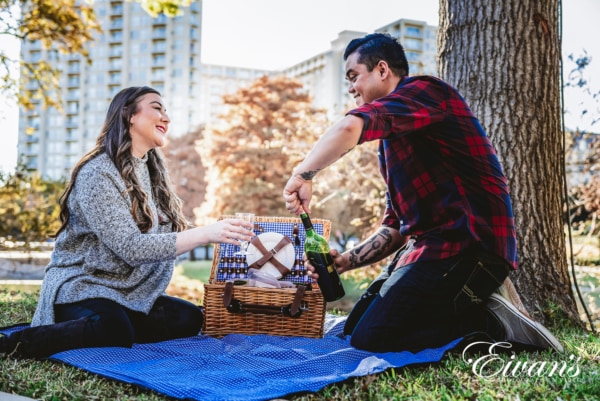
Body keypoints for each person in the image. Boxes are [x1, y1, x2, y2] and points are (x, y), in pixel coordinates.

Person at [283, 33, 563, 353]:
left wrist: (302, 175)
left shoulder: (428, 91)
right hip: (427, 249)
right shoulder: (389, 145)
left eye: (353, 76)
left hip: (468, 244)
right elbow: (394, 229)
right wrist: (344, 261)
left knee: (373, 339)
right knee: (354, 329)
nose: (350, 88)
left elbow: (349, 128)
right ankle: (462, 311)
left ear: (382, 70)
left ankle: (491, 324)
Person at [0, 86, 254, 359]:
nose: (166, 118)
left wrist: (220, 232)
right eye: (157, 108)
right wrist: (206, 234)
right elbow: (131, 247)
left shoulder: (152, 169)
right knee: (113, 330)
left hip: (132, 292)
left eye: (166, 111)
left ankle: (109, 324)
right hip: (84, 285)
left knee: (189, 318)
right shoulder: (98, 173)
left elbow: (165, 236)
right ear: (129, 115)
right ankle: (11, 343)